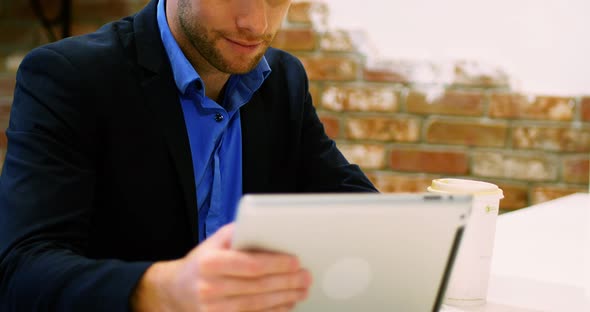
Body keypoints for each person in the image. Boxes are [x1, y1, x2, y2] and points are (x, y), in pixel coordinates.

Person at [0, 0, 377, 310]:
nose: (256, 24)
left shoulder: (282, 80)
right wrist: (162, 289)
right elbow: (20, 271)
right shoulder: (70, 76)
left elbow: (355, 207)